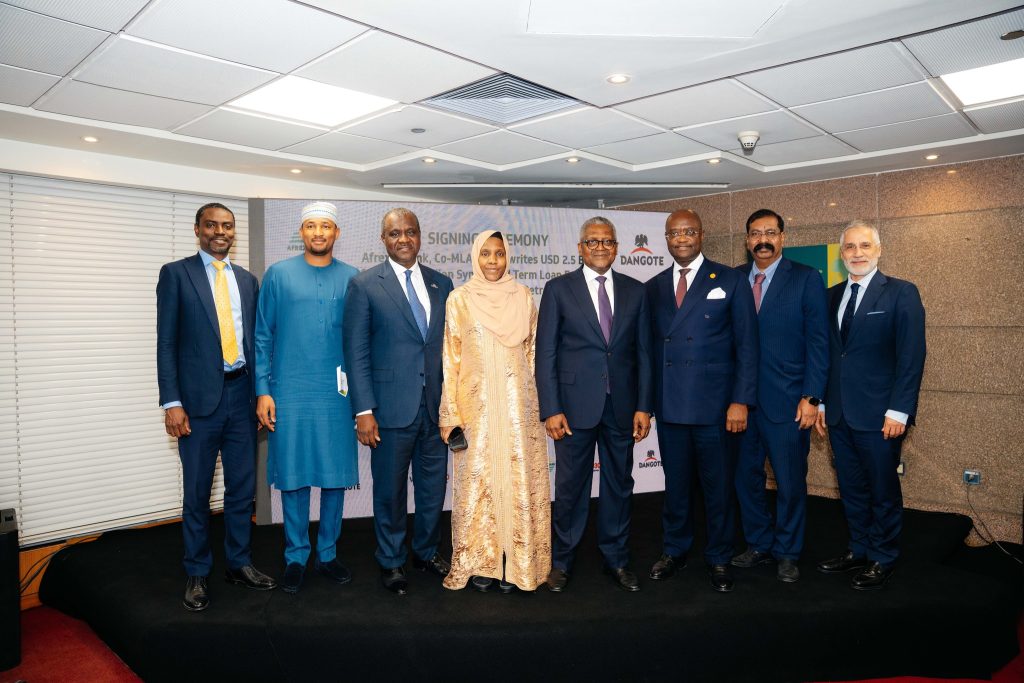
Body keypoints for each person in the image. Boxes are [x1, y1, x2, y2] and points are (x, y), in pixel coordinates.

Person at [157, 202, 276, 612]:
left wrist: (261, 394)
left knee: (242, 489)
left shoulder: (247, 280)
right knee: (197, 492)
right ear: (198, 229)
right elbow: (166, 343)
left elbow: (256, 344)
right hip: (196, 404)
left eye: (227, 226)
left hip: (241, 397)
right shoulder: (176, 274)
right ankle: (197, 571)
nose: (220, 232)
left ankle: (239, 563)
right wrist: (172, 402)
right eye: (212, 225)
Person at [536, 217, 652, 593]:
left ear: (616, 248)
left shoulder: (636, 291)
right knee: (571, 487)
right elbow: (545, 353)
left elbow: (644, 353)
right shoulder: (558, 289)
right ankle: (562, 561)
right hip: (572, 409)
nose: (600, 247)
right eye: (592, 241)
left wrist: (644, 406)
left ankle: (616, 559)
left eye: (607, 241)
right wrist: (551, 408)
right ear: (580, 248)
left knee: (619, 484)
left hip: (622, 406)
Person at [645, 209, 758, 593]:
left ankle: (719, 555)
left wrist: (740, 400)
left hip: (717, 408)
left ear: (701, 235)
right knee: (676, 487)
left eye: (689, 231)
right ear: (666, 238)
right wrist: (646, 404)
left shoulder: (730, 279)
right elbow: (648, 351)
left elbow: (747, 345)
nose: (682, 239)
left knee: (718, 487)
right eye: (674, 233)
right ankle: (674, 550)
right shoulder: (653, 287)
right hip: (671, 406)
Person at [343, 208, 454, 595]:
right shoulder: (364, 285)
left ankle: (425, 552)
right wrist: (363, 410)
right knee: (390, 491)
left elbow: (450, 349)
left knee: (432, 489)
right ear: (383, 239)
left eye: (410, 232)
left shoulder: (442, 283)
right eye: (394, 234)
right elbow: (355, 352)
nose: (403, 239)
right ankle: (391, 559)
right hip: (388, 409)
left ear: (420, 236)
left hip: (435, 408)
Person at [254, 202, 360, 595]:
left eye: (326, 226)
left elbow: (359, 342)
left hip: (336, 393)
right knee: (294, 475)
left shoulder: (353, 278)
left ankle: (327, 554)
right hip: (289, 390)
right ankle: (296, 556)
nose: (318, 233)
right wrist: (263, 390)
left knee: (333, 475)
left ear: (336, 233)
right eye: (311, 226)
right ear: (301, 232)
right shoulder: (279, 274)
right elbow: (262, 336)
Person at [815, 220, 926, 590]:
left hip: (881, 416)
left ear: (878, 250)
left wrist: (899, 410)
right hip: (838, 413)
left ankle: (883, 556)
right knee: (851, 488)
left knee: (882, 490)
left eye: (864, 246)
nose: (857, 253)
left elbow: (911, 356)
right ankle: (859, 548)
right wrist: (821, 403)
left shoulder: (901, 293)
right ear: (841, 254)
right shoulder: (830, 296)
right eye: (850, 247)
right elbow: (829, 356)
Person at [439, 230, 552, 592]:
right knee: (479, 485)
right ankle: (483, 563)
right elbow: (451, 359)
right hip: (477, 411)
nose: (492, 261)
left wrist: (537, 407)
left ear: (508, 257)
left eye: (499, 253)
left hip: (519, 409)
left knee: (518, 482)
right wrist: (451, 415)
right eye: (485, 253)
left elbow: (533, 355)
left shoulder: (523, 296)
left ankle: (517, 566)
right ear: (476, 257)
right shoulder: (459, 299)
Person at [732, 209, 828, 583]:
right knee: (746, 479)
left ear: (783, 237)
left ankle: (788, 551)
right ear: (747, 240)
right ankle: (759, 543)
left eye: (770, 232)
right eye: (756, 233)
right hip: (741, 404)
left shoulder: (806, 278)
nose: (763, 240)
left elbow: (819, 342)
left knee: (789, 482)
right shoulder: (735, 278)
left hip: (789, 402)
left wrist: (813, 396)